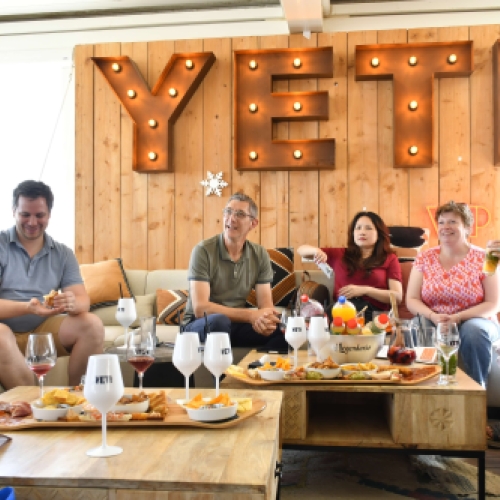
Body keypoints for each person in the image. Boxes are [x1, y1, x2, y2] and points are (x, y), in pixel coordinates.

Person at [0, 180, 104, 390]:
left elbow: (83, 300)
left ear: (49, 214)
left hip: (42, 330)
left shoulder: (63, 253)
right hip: (4, 328)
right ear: (14, 212)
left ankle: (76, 402)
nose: (32, 221)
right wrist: (28, 307)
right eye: (25, 214)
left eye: (39, 215)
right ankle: (29, 406)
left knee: (91, 325)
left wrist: (73, 303)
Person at [406, 201, 500, 387]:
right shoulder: (425, 257)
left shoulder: (487, 257)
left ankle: (476, 391)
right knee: (416, 327)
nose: (445, 227)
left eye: (452, 222)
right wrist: (434, 316)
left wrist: (457, 317)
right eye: (441, 222)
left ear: (467, 227)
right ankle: (421, 390)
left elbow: (493, 303)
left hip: (475, 319)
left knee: (474, 331)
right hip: (433, 318)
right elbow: (412, 299)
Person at [182, 192, 286, 350]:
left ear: (253, 223)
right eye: (228, 211)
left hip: (236, 324)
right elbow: (200, 309)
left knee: (283, 328)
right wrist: (251, 316)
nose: (231, 218)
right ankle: (223, 375)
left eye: (240, 214)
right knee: (219, 322)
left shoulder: (259, 254)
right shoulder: (203, 251)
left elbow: (266, 307)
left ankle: (255, 371)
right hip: (199, 325)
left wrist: (267, 321)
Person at [297, 211, 402, 322]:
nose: (362, 232)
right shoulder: (340, 254)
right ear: (352, 233)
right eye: (358, 228)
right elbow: (301, 250)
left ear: (379, 234)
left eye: (368, 228)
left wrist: (365, 290)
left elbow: (397, 297)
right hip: (340, 311)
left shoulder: (390, 258)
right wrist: (316, 251)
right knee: (316, 321)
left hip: (372, 314)